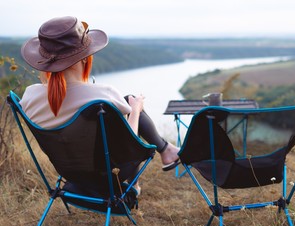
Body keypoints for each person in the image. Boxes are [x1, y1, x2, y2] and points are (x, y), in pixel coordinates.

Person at [19, 16, 180, 195]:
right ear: (85, 58)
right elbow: (129, 145)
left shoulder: (29, 96)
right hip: (110, 174)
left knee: (126, 106)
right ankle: (159, 159)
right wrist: (136, 110)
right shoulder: (102, 96)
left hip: (69, 173)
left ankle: (167, 151)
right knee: (131, 101)